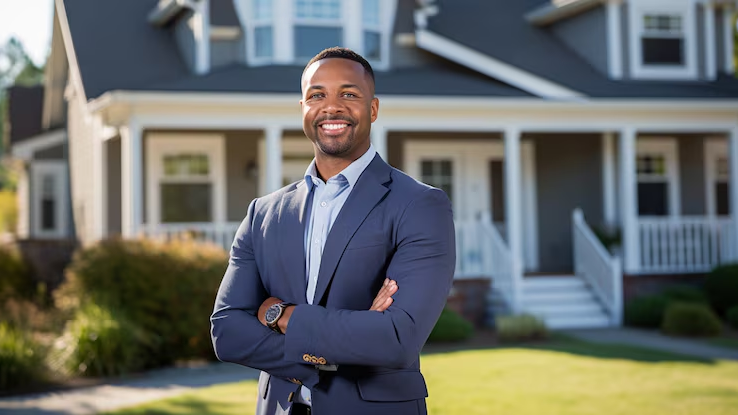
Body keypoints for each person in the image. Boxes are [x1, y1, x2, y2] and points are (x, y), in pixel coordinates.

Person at [210, 47, 456, 415]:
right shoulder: (263, 213)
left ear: (372, 109)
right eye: (317, 95)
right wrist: (341, 348)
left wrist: (279, 314)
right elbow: (227, 332)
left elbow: (396, 338)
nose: (332, 107)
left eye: (349, 94)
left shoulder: (419, 205)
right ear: (303, 109)